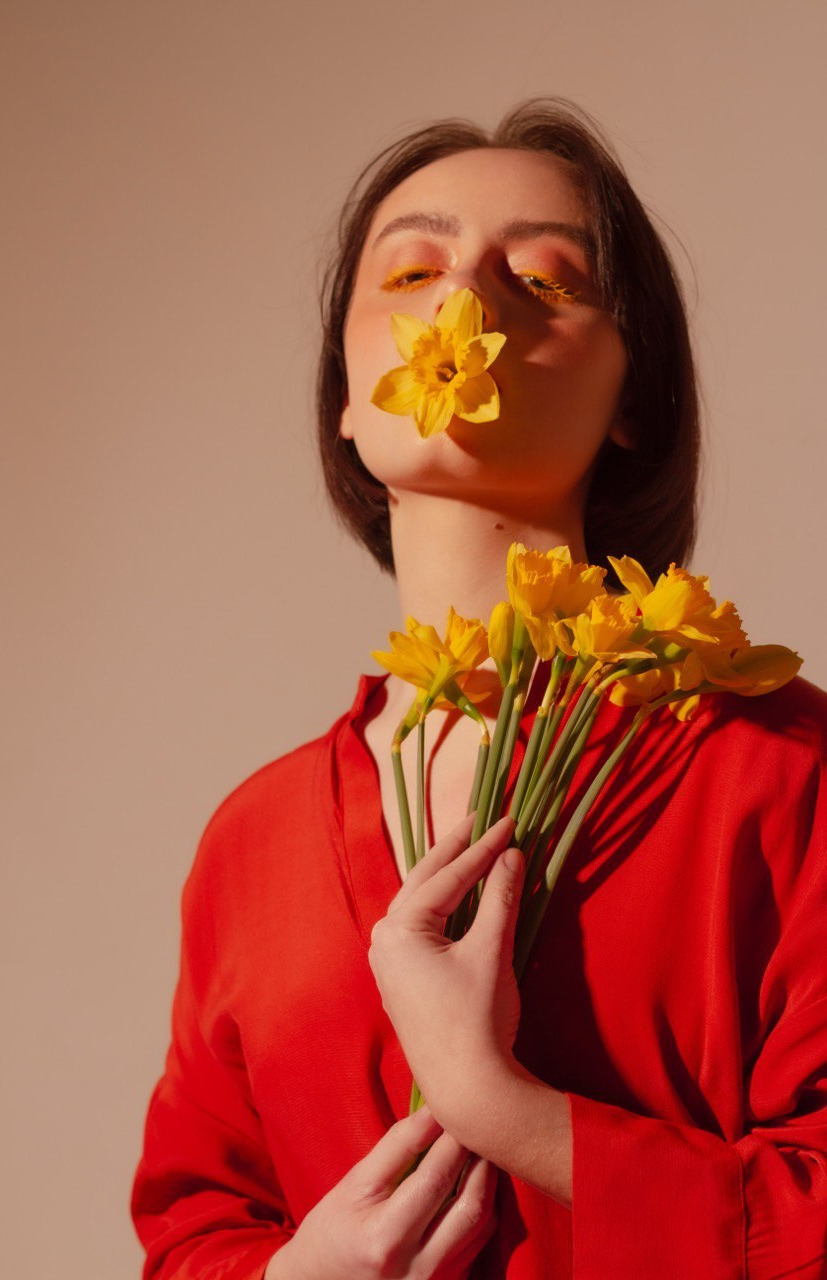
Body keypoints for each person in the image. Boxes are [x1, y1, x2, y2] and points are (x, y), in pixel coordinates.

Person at [130, 98, 827, 1279]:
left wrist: (502, 1107)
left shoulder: (780, 769)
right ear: (347, 396)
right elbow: (195, 1225)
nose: (463, 302)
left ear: (635, 400)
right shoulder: (253, 843)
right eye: (411, 272)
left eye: (546, 281)